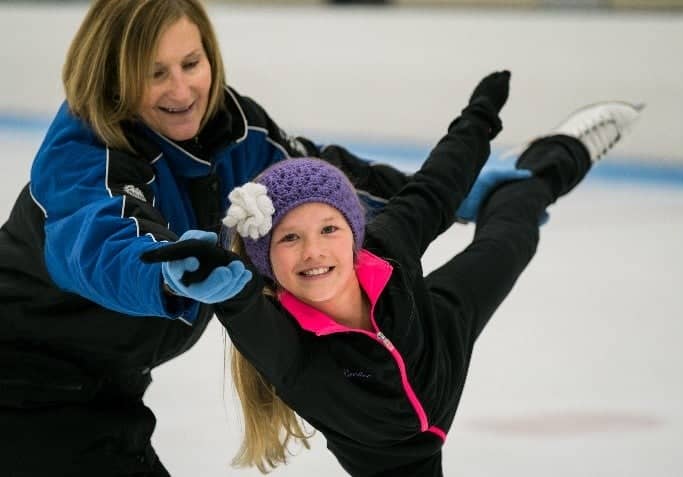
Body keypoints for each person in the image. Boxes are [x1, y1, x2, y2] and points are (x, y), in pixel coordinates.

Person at [142, 70, 643, 475]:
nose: (313, 251)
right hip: (398, 462)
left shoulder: (385, 251)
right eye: (289, 238)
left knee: (511, 236)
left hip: (435, 332)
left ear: (355, 232)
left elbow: (434, 188)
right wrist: (222, 284)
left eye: (328, 229)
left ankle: (562, 151)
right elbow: (242, 303)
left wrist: (477, 122)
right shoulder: (292, 353)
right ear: (266, 263)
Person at [0, 0, 418, 475]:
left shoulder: (235, 132)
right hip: (21, 385)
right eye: (154, 73)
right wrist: (165, 273)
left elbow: (323, 184)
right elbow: (102, 239)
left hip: (105, 390)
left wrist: (444, 191)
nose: (181, 89)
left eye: (191, 64)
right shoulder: (82, 157)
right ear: (113, 78)